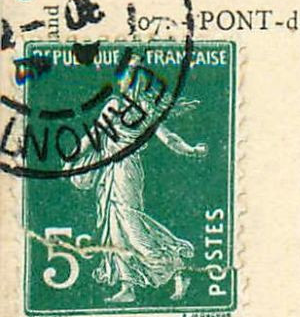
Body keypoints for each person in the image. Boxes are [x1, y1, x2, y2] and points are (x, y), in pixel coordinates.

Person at [69, 92, 208, 304]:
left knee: (131, 226)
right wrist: (73, 154)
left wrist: (192, 150)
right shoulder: (115, 104)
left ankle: (176, 267)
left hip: (126, 171)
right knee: (115, 227)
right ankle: (128, 285)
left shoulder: (147, 110)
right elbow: (94, 133)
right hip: (110, 170)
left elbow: (168, 138)